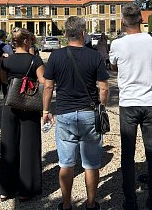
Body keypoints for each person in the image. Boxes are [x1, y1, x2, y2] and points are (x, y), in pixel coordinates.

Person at [42, 16, 109, 210]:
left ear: (65, 34)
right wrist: (101, 109)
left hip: (64, 114)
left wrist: (46, 110)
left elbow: (48, 87)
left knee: (66, 163)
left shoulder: (56, 56)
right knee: (91, 164)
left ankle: (65, 204)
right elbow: (103, 89)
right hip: (89, 114)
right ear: (83, 33)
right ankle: (90, 203)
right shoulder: (95, 56)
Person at [109, 3, 152, 210]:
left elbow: (113, 66)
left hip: (129, 103)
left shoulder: (118, 44)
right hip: (151, 102)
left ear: (122, 22)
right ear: (141, 19)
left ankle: (130, 201)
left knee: (128, 154)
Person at [0, 27, 45, 202]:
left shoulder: (6, 60)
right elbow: (43, 82)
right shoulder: (35, 60)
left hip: (10, 104)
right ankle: (26, 189)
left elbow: (4, 80)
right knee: (28, 146)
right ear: (26, 41)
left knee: (8, 145)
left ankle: (6, 189)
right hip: (29, 105)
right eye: (31, 40)